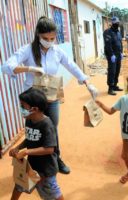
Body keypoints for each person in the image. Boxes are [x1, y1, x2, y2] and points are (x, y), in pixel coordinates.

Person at [2, 16, 98, 174]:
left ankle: (56, 158)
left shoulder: (57, 51)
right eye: (45, 38)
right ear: (38, 34)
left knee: (52, 129)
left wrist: (88, 83)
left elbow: (72, 66)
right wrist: (30, 69)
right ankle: (33, 163)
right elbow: (7, 66)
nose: (49, 41)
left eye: (52, 38)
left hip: (51, 97)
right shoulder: (27, 50)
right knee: (33, 129)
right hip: (32, 99)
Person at [9, 88, 64, 200]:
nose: (20, 109)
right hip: (30, 166)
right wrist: (18, 148)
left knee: (52, 193)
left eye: (23, 106)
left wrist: (26, 152)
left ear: (34, 109)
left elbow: (49, 149)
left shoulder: (47, 124)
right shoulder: (29, 119)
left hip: (46, 169)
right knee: (20, 184)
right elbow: (29, 138)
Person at [103, 17, 124, 95]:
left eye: (118, 22)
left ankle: (115, 85)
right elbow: (108, 45)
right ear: (112, 23)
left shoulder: (118, 32)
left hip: (118, 54)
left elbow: (120, 43)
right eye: (115, 23)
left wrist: (121, 52)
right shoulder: (107, 32)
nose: (117, 24)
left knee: (117, 70)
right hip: (112, 56)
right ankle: (110, 88)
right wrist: (111, 55)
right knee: (112, 71)